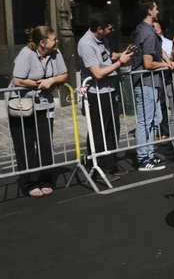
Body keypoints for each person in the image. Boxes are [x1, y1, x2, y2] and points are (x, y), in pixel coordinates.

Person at [8, 26, 68, 197]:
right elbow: (18, 80)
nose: (56, 41)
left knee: (45, 143)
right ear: (43, 42)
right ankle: (29, 182)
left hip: (44, 105)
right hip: (23, 105)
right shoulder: (26, 54)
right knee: (25, 145)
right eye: (53, 39)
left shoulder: (55, 53)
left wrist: (52, 80)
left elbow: (64, 75)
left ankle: (45, 180)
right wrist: (39, 84)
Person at [78, 13, 134, 182]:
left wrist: (121, 55)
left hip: (109, 91)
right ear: (99, 29)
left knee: (111, 129)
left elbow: (106, 57)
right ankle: (97, 169)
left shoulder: (103, 40)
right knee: (98, 132)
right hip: (96, 94)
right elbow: (97, 72)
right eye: (109, 28)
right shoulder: (86, 44)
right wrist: (120, 63)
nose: (112, 30)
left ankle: (110, 165)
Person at [131, 0, 174, 171]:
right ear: (149, 11)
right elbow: (148, 63)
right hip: (146, 82)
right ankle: (143, 159)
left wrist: (169, 60)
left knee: (153, 120)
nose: (158, 11)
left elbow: (161, 50)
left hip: (151, 83)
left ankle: (148, 155)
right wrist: (167, 65)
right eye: (156, 8)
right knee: (145, 121)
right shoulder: (147, 33)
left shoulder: (148, 30)